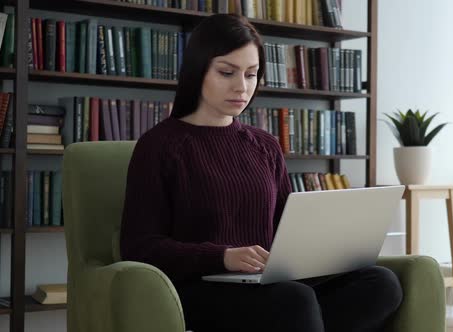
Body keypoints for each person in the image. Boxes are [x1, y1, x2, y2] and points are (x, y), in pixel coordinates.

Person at [120, 14, 403, 332]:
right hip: (198, 288)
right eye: (227, 72)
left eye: (251, 74)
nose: (241, 87)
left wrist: (325, 248)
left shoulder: (265, 145)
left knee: (381, 283)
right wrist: (223, 257)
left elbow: (286, 226)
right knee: (293, 300)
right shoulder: (159, 146)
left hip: (267, 283)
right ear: (198, 70)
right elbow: (139, 246)